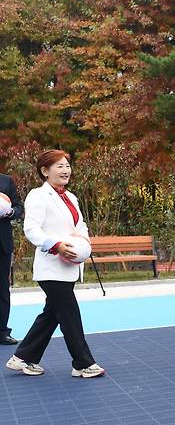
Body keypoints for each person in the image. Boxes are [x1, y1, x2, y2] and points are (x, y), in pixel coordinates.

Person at [5, 150, 105, 377]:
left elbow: (80, 226)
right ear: (44, 171)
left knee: (52, 313)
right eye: (59, 166)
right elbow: (31, 230)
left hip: (70, 266)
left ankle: (23, 357)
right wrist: (56, 245)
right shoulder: (37, 196)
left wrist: (84, 244)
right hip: (51, 268)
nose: (65, 170)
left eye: (67, 165)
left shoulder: (71, 198)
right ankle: (83, 363)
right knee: (69, 312)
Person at [0, 173, 24, 345]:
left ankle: (2, 331)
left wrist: (11, 212)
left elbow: (19, 207)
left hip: (2, 243)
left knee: (2, 289)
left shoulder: (6, 180)